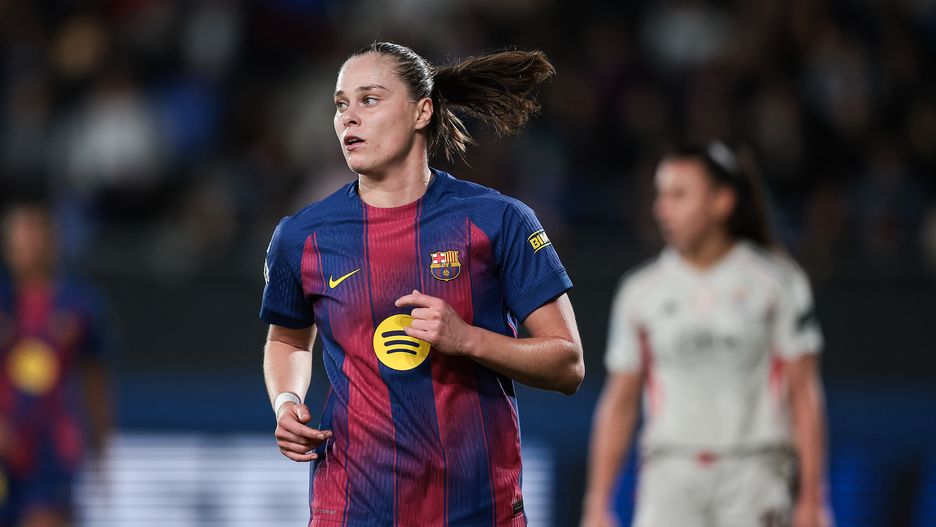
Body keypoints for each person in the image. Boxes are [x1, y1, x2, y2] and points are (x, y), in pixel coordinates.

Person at [260, 42, 584, 526]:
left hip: (478, 510)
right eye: (341, 104)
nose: (348, 117)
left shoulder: (498, 220)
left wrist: (468, 338)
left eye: (369, 99)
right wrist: (286, 403)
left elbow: (567, 363)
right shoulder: (301, 236)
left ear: (422, 111)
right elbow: (287, 339)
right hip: (351, 509)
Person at [580, 143, 832, 527]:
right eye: (661, 195)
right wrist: (597, 503)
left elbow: (804, 393)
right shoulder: (640, 291)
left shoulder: (777, 282)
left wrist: (813, 499)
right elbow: (620, 401)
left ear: (722, 202)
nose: (661, 208)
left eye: (679, 195)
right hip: (669, 481)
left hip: (755, 477)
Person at [0, 198, 112, 527]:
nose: (24, 245)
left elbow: (95, 381)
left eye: (31, 235)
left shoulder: (80, 305)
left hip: (51, 450)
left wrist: (100, 449)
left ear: (50, 240)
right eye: (16, 236)